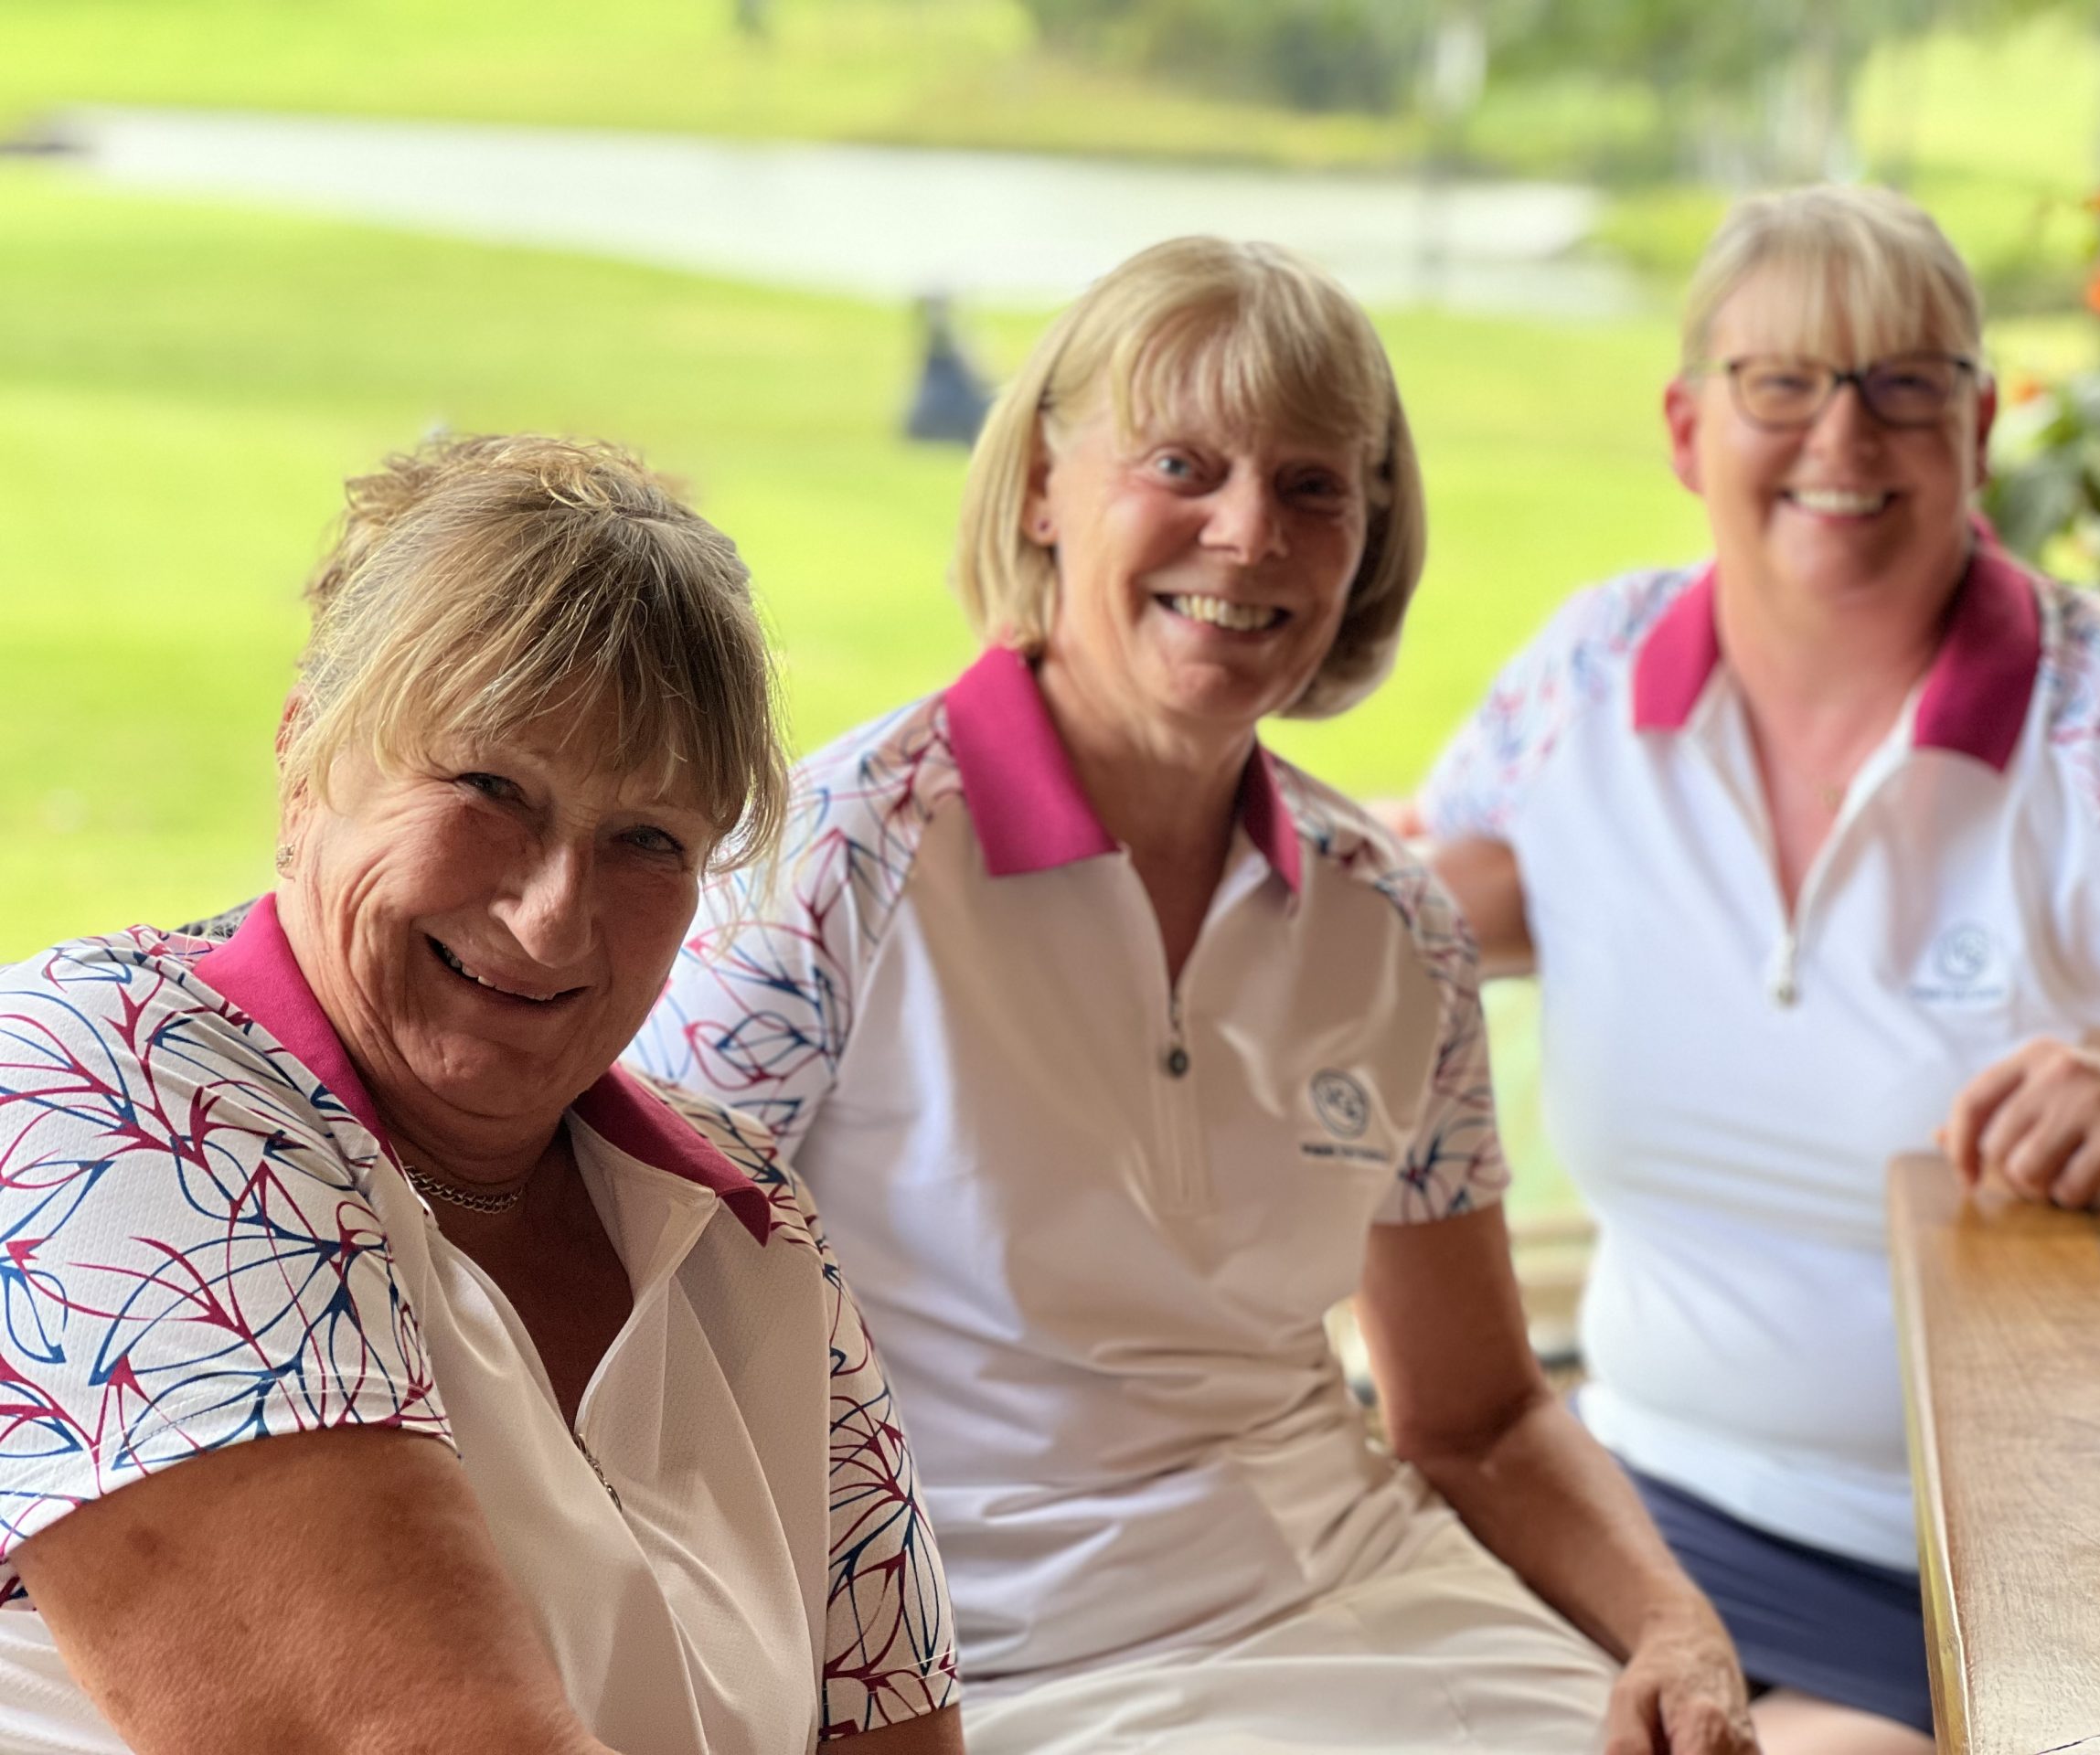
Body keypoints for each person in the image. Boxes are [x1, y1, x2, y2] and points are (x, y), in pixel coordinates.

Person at [635, 237, 1755, 1755]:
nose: (1248, 534)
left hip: (1368, 1599)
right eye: (1183, 463)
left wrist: (1678, 1632)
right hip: (986, 1657)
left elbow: (1478, 1417)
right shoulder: (836, 862)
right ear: (1042, 486)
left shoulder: (1398, 927)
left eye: (1313, 487)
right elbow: (625, 1336)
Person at [1408, 186, 2100, 1753]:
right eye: (1783, 382)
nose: (1843, 437)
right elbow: (1397, 901)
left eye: (1903, 383)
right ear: (1688, 425)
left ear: (1977, 430)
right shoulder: (1582, 683)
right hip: (1618, 1521)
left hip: (2021, 1575)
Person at [0, 435, 964, 1755]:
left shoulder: (749, 1221)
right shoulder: (100, 1086)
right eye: (491, 790)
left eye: (647, 840)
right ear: (304, 759)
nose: (556, 915)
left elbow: (899, 1729)